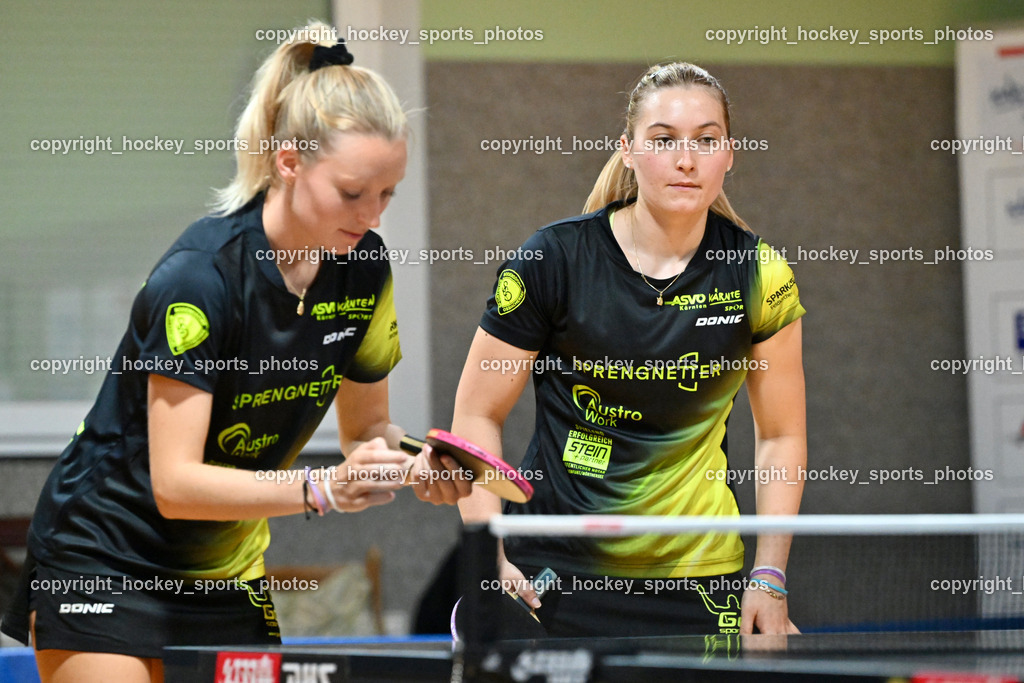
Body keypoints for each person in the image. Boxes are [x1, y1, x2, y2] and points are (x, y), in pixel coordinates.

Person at [0, 24, 470, 683]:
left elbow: (367, 430)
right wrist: (322, 487)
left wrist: (415, 464)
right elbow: (176, 483)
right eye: (352, 192)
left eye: (388, 193)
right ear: (288, 163)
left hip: (224, 574)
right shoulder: (200, 277)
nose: (373, 216)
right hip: (103, 555)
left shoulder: (363, 268)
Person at [453, 62, 806, 637]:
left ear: (730, 154)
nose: (686, 159)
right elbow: (476, 413)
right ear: (628, 151)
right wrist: (487, 553)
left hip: (700, 576)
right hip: (557, 569)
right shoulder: (554, 260)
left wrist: (769, 576)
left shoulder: (760, 274)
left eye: (706, 140)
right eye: (663, 140)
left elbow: (781, 436)